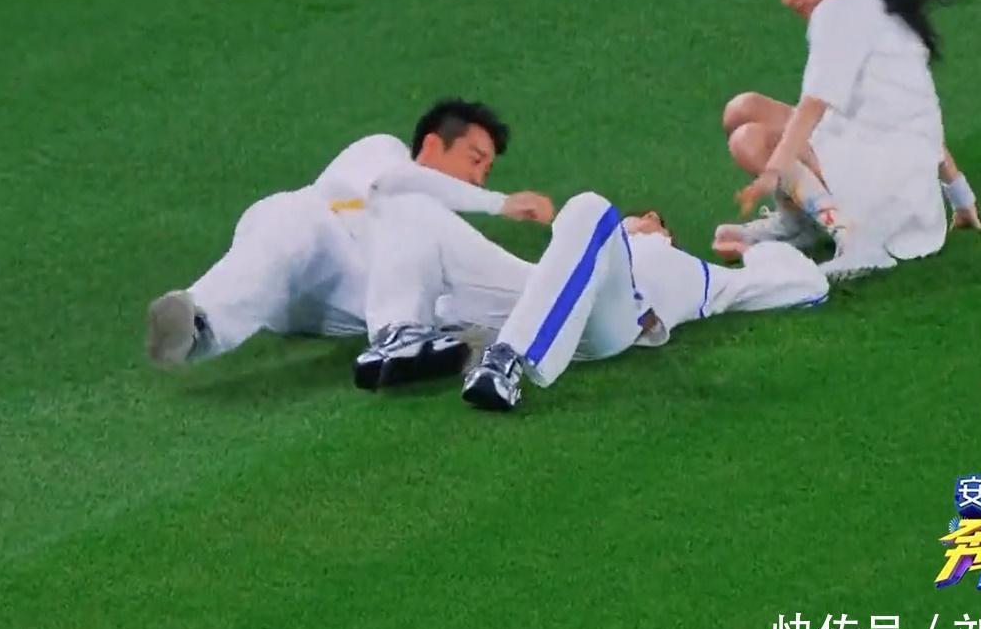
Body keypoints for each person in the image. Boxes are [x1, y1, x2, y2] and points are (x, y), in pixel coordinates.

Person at [145, 98, 554, 371]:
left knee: (452, 295)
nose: (479, 177)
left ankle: (434, 345)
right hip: (304, 245)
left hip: (344, 302)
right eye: (475, 159)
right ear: (432, 145)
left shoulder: (435, 227)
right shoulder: (382, 151)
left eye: (487, 171)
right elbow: (396, 186)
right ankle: (199, 324)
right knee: (296, 222)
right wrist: (499, 203)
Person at [714, 0, 981, 281]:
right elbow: (916, 117)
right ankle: (800, 223)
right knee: (743, 108)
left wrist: (772, 173)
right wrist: (960, 196)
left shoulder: (839, 13)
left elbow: (813, 107)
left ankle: (856, 242)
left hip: (880, 192)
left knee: (749, 140)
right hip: (897, 182)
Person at [459, 192, 829, 412]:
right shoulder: (582, 249)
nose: (634, 221)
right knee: (447, 243)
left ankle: (505, 362)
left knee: (589, 206)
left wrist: (752, 251)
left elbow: (808, 285)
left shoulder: (700, 273)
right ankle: (433, 337)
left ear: (655, 222)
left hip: (610, 322)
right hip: (543, 304)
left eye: (639, 218)